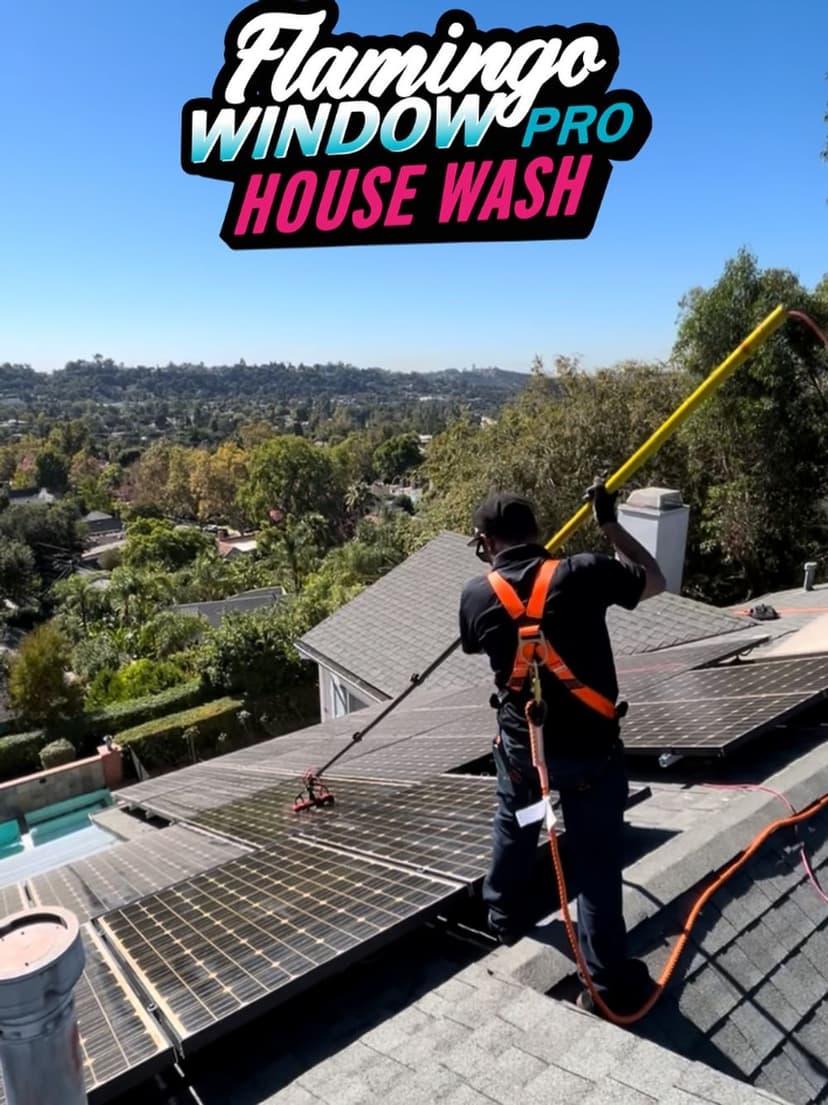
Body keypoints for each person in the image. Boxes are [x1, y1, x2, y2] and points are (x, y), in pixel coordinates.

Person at [458, 481, 665, 1014]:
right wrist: (611, 525)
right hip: (591, 755)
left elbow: (477, 642)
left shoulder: (477, 596)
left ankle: (503, 917)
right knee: (595, 865)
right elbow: (655, 579)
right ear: (537, 532)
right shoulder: (583, 572)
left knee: (517, 821)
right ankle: (607, 983)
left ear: (488, 543)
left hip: (526, 755)